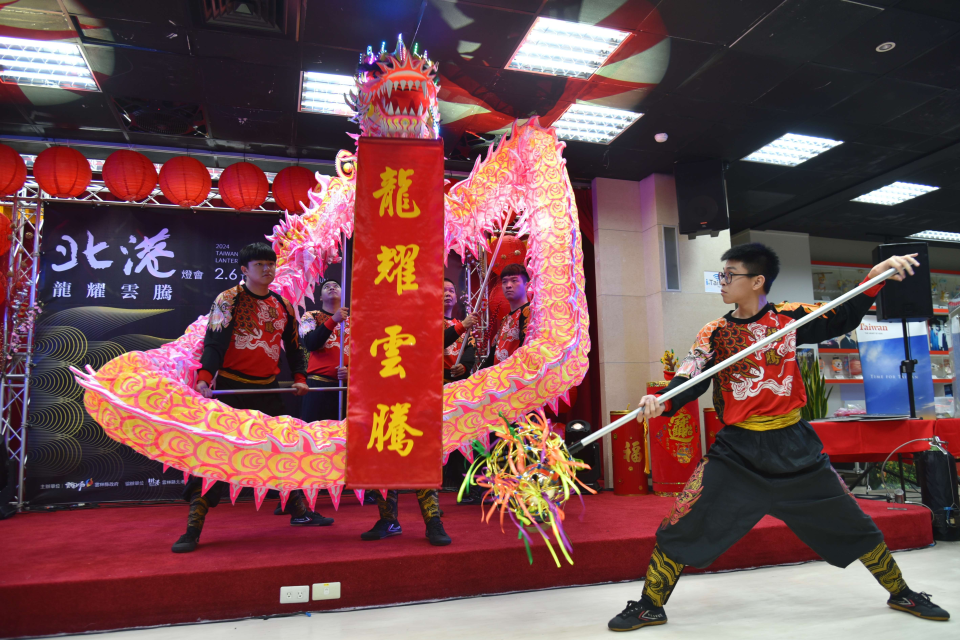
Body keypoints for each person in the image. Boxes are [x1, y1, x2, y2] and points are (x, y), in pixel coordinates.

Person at [607, 243, 949, 631]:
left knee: (853, 523)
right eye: (721, 275)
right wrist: (661, 402)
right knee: (682, 523)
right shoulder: (714, 332)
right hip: (736, 452)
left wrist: (877, 274)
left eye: (729, 275)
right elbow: (690, 376)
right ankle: (651, 605)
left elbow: (843, 315)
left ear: (757, 281)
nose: (722, 283)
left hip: (796, 449)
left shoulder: (789, 318)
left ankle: (900, 591)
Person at [172, 242, 334, 554]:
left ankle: (299, 510)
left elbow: (295, 346)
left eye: (270, 264)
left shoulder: (284, 305)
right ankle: (193, 527)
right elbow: (214, 343)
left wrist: (300, 378)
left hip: (269, 389)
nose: (267, 269)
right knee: (212, 458)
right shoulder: (227, 300)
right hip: (232, 390)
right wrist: (205, 379)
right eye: (259, 265)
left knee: (283, 451)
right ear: (244, 269)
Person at [361, 279, 475, 545]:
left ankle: (433, 521)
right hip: (386, 399)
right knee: (385, 462)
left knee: (423, 459)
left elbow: (429, 344)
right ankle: (388, 520)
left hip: (419, 398)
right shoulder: (377, 320)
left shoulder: (424, 321)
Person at [441, 278, 479, 497]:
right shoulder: (429, 321)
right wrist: (461, 326)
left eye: (451, 290)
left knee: (462, 433)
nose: (447, 294)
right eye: (443, 290)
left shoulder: (462, 324)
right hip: (437, 384)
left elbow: (470, 352)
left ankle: (459, 480)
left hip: (457, 384)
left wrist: (464, 367)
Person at [299, 279, 350, 423]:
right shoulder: (310, 316)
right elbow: (311, 343)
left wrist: (350, 372)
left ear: (343, 293)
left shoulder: (354, 321)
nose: (332, 287)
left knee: (343, 434)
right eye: (327, 286)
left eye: (336, 286)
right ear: (320, 297)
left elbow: (362, 355)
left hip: (346, 386)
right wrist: (333, 319)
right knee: (315, 434)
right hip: (318, 385)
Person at [481, 263, 531, 368]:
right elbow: (492, 357)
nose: (508, 285)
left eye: (514, 280)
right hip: (499, 378)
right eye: (504, 282)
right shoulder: (505, 319)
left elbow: (526, 350)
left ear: (527, 285)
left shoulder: (529, 312)